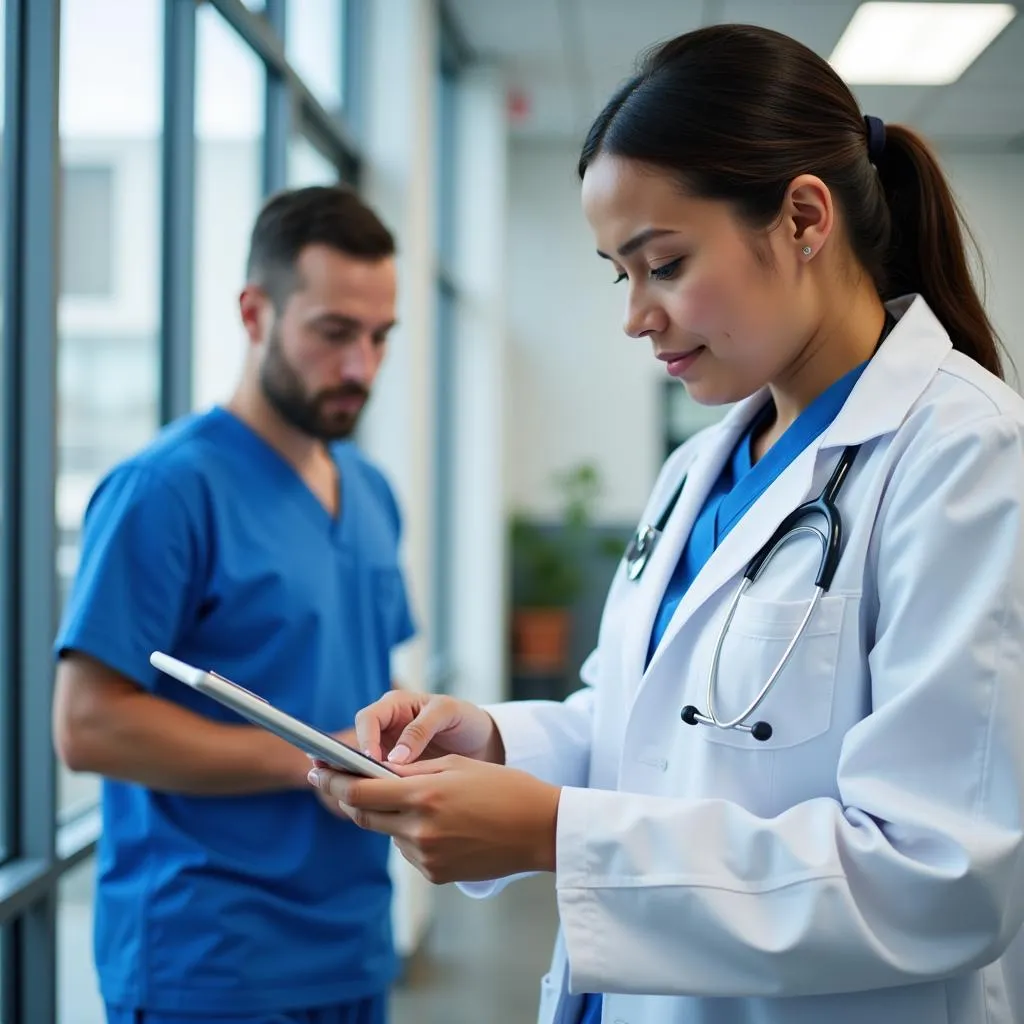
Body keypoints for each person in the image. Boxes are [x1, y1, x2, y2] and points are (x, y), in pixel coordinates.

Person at [307, 23, 1024, 1024]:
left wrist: (559, 835)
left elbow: (936, 875)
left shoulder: (967, 457)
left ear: (804, 217)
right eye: (619, 272)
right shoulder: (700, 466)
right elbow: (639, 726)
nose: (635, 314)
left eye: (664, 262)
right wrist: (490, 741)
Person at [53, 185, 415, 1024]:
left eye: (378, 337)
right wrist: (313, 757)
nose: (360, 366)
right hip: (210, 960)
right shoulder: (165, 490)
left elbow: (362, 681)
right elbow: (87, 727)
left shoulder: (370, 493)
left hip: (353, 943)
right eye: (333, 333)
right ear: (255, 313)